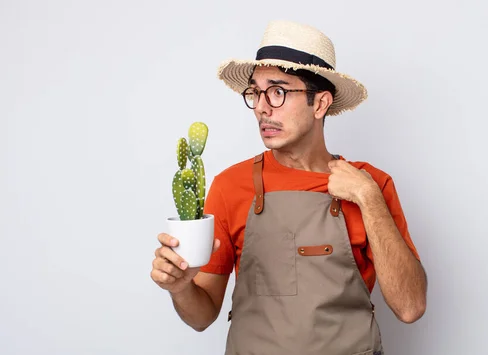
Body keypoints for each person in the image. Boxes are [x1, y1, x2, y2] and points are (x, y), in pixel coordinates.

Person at [151, 20, 427, 355]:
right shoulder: (230, 186)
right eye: (255, 92)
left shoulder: (372, 185)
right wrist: (180, 288)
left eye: (278, 91)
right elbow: (202, 315)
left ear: (320, 104)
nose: (263, 107)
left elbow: (410, 307)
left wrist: (368, 199)